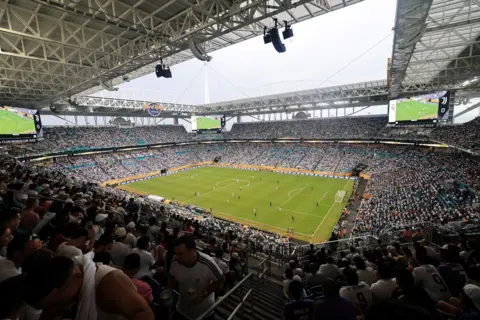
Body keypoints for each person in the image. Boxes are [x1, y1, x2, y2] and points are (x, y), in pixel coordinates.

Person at [25, 255, 154, 320]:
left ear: (77, 277)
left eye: (55, 302)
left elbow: (146, 315)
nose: (53, 309)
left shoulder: (109, 284)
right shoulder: (64, 284)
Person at [168, 235, 224, 320]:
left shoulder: (208, 264)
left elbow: (221, 280)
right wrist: (169, 290)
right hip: (181, 307)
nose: (177, 257)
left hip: (203, 312)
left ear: (192, 251)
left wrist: (202, 294)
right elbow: (172, 276)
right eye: (176, 253)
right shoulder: (175, 261)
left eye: (180, 254)